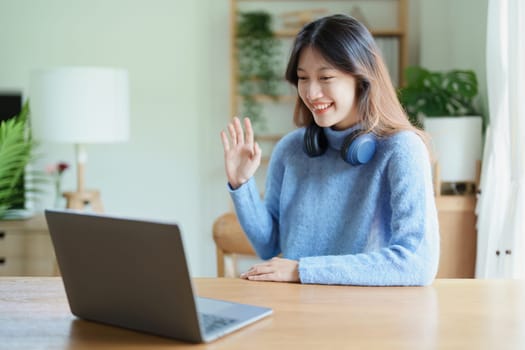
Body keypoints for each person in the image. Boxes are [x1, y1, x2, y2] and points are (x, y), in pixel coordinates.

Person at [220, 14, 439, 286]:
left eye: (326, 77)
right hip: (296, 309)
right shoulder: (291, 150)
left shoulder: (401, 149)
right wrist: (241, 184)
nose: (311, 92)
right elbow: (268, 246)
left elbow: (418, 263)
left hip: (366, 315)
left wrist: (303, 270)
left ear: (361, 79)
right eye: (303, 78)